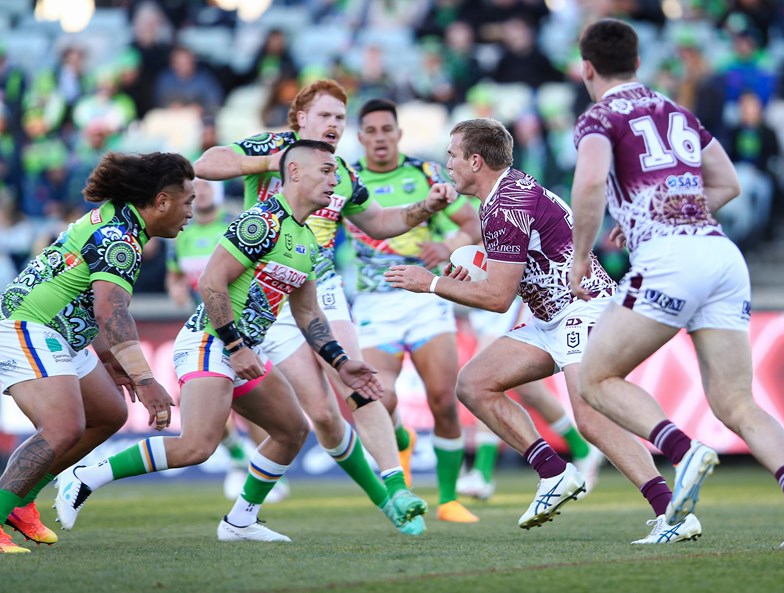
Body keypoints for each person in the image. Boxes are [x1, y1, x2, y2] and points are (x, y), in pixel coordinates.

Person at [567, 18, 784, 562]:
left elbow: (590, 183)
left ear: (587, 68)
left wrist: (584, 253)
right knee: (736, 400)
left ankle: (682, 452)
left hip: (669, 261)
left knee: (594, 377)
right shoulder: (674, 110)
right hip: (721, 256)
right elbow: (727, 183)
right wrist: (663, 211)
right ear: (638, 63)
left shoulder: (598, 115)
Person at [54, 141, 401, 542]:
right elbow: (211, 282)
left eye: (335, 172)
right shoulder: (262, 221)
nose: (335, 178)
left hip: (241, 350)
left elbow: (308, 314)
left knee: (291, 431)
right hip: (210, 343)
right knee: (196, 446)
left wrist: (342, 362)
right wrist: (236, 348)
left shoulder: (306, 240)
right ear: (295, 173)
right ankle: (86, 476)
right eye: (325, 170)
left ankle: (239, 522)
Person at [386, 118, 702, 543]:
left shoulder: (505, 205)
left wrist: (433, 284)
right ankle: (553, 473)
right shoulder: (506, 194)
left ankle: (675, 504)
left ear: (476, 161)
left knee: (590, 418)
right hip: (548, 316)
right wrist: (473, 266)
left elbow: (499, 298)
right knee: (475, 384)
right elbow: (518, 264)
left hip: (581, 309)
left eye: (453, 155)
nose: (448, 164)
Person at [193, 79, 452, 534]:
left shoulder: (342, 172)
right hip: (267, 292)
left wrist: (424, 207)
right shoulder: (274, 147)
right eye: (325, 115)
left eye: (339, 117)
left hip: (321, 286)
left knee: (351, 374)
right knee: (323, 417)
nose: (334, 124)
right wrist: (270, 161)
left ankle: (396, 488)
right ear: (300, 119)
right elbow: (207, 163)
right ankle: (381, 488)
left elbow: (379, 222)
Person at [0, 152, 195, 553]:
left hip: (60, 329)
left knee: (108, 414)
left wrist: (110, 358)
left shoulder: (118, 219)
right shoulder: (121, 240)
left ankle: (18, 502)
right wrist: (144, 378)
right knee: (62, 428)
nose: (190, 211)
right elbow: (110, 310)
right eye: (187, 201)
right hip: (27, 324)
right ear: (161, 201)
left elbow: (88, 298)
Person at [350, 98, 481, 522]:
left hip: (425, 299)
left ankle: (447, 500)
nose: (380, 137)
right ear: (361, 137)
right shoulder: (347, 182)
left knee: (444, 398)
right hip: (374, 302)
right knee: (378, 397)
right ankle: (400, 452)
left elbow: (475, 225)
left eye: (387, 129)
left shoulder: (424, 173)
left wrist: (445, 247)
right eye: (371, 130)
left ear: (399, 133)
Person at [164, 178, 287, 503]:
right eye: (194, 188)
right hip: (201, 328)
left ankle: (263, 469)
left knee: (250, 405)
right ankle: (236, 455)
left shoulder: (235, 226)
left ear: (217, 192)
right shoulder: (181, 234)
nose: (201, 191)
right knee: (197, 402)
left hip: (241, 329)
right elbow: (175, 272)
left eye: (206, 186)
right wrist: (176, 287)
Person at [457, 300, 603, 501]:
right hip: (483, 305)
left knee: (479, 382)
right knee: (530, 391)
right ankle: (583, 448)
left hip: (507, 298)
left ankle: (482, 473)